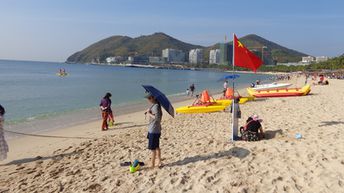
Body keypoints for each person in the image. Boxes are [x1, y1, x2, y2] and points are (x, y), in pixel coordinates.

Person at [144, 93, 163, 168]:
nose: (148, 100)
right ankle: (159, 161)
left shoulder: (156, 106)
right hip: (155, 129)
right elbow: (156, 116)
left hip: (154, 130)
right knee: (157, 146)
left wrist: (149, 113)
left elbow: (157, 118)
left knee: (153, 148)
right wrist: (149, 111)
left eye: (149, 98)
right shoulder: (155, 105)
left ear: (153, 98)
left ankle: (152, 163)